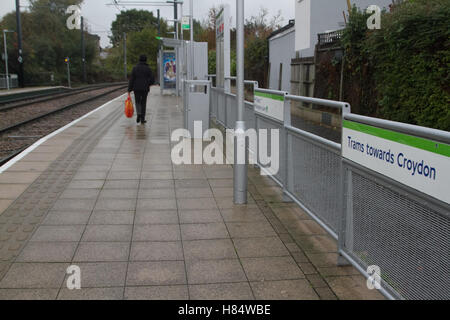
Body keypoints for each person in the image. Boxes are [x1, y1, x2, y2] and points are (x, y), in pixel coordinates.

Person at [128, 55, 155, 124]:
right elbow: (152, 79)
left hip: (136, 88)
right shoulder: (148, 68)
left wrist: (129, 89)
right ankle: (142, 119)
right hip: (145, 88)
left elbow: (132, 79)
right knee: (143, 103)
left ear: (139, 60)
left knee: (137, 102)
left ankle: (138, 114)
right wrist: (148, 83)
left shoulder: (135, 68)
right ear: (146, 60)